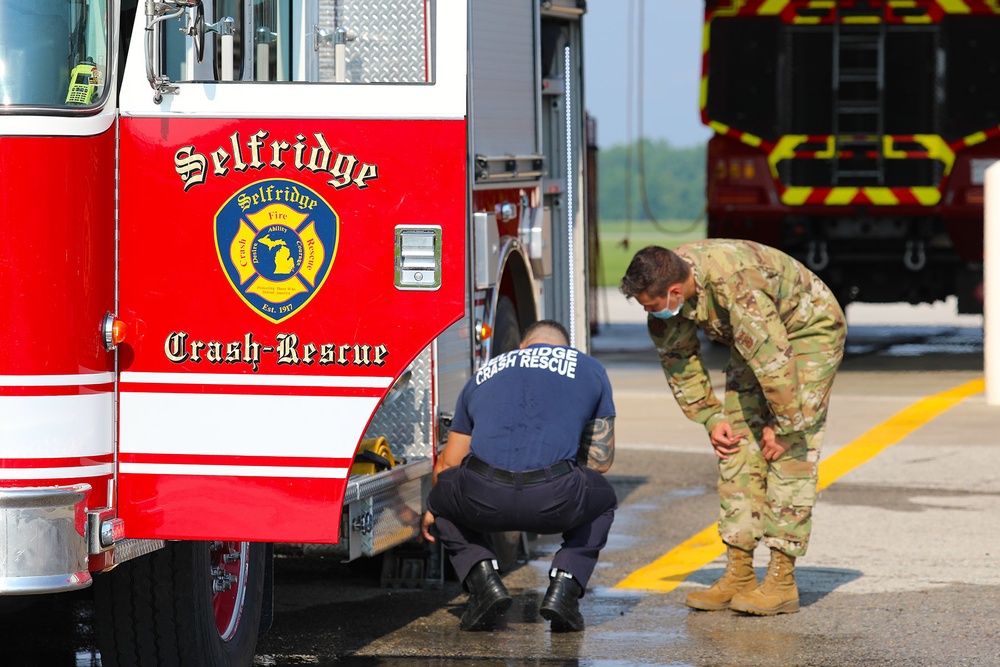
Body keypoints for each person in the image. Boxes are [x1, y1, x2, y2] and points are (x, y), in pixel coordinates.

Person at [619, 240, 846, 616]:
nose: (649, 313)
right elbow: (678, 359)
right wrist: (711, 416)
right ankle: (739, 572)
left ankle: (782, 580)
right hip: (756, 339)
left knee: (789, 454)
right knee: (736, 444)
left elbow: (773, 359)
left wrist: (785, 424)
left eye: (651, 305)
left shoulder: (737, 284)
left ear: (674, 292)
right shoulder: (666, 285)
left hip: (808, 333)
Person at [421, 319, 618, 632]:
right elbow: (600, 461)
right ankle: (565, 586)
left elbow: (449, 463)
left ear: (522, 348)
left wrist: (435, 509)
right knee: (603, 498)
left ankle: (483, 581)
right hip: (554, 499)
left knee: (442, 496)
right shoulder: (589, 368)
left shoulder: (485, 372)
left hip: (482, 497)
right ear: (567, 350)